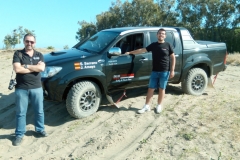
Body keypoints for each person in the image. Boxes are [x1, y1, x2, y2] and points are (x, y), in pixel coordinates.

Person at [125, 28, 176, 114]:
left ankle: (159, 105)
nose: (161, 35)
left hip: (164, 71)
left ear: (165, 36)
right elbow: (142, 50)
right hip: (154, 71)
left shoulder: (168, 45)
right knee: (150, 89)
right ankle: (147, 106)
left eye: (163, 34)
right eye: (159, 33)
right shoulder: (153, 45)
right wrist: (130, 52)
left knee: (161, 89)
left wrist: (172, 70)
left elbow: (173, 57)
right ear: (157, 35)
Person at [12, 33, 47, 146]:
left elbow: (41, 68)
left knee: (39, 111)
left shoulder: (39, 55)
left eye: (31, 42)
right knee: (21, 113)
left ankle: (40, 129)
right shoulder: (18, 54)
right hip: (21, 88)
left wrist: (26, 66)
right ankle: (19, 134)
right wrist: (34, 68)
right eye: (27, 41)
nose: (29, 43)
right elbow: (17, 69)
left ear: (34, 43)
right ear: (24, 41)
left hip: (37, 88)